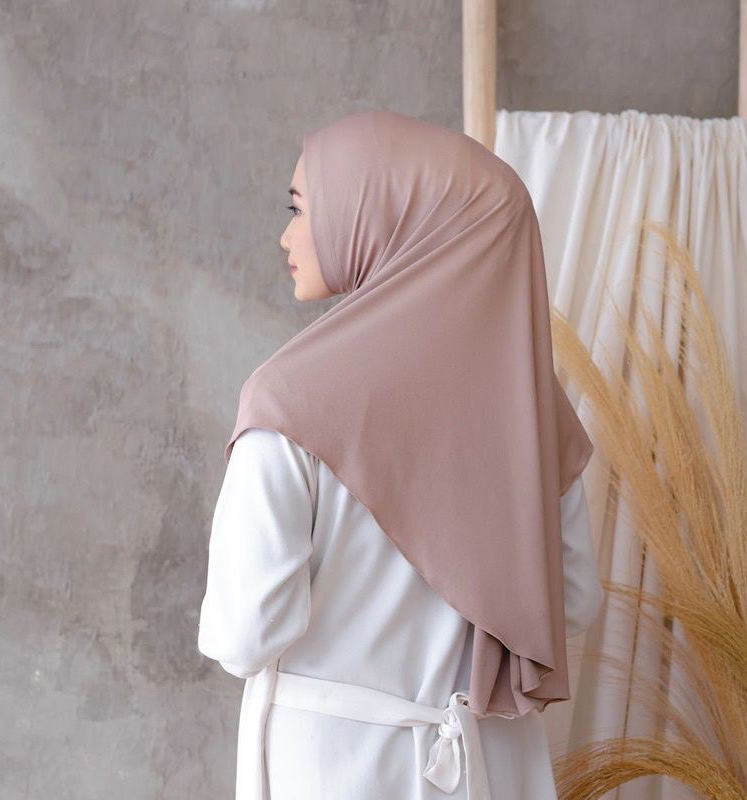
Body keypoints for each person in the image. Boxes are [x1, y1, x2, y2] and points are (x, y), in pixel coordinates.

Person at [198, 110, 604, 799]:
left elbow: (246, 634)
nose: (287, 236)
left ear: (376, 214)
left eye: (301, 209)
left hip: (334, 767)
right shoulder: (533, 411)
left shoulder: (288, 400)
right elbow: (572, 603)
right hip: (488, 764)